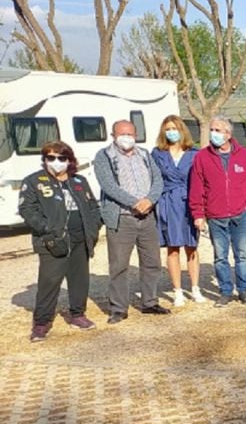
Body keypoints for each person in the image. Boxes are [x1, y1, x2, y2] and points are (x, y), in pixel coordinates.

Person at [19, 142, 103, 342]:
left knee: (79, 279)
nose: (56, 162)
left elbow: (93, 206)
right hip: (52, 240)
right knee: (49, 282)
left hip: (80, 237)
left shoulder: (79, 181)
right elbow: (27, 210)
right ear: (45, 160)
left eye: (61, 158)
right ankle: (41, 322)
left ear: (69, 160)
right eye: (51, 158)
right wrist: (46, 229)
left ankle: (77, 315)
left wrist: (94, 225)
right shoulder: (34, 181)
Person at [93, 119, 168, 324]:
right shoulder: (104, 156)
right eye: (122, 134)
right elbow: (108, 185)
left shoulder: (144, 154)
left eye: (131, 134)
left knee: (152, 262)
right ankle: (118, 308)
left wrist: (150, 200)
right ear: (113, 136)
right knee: (119, 265)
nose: (127, 138)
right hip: (121, 218)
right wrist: (134, 202)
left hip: (147, 216)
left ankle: (150, 302)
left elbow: (158, 180)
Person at [189, 116, 246, 307]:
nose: (213, 134)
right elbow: (197, 188)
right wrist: (198, 214)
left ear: (228, 134)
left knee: (242, 255)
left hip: (240, 215)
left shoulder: (245, 156)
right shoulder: (202, 157)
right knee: (220, 257)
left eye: (217, 130)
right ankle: (225, 291)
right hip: (216, 216)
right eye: (212, 130)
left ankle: (244, 290)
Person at [151, 116, 206, 307]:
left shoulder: (195, 153)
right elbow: (154, 180)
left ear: (182, 130)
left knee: (192, 247)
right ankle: (177, 291)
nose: (171, 132)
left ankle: (195, 288)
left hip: (188, 202)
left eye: (175, 128)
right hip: (167, 202)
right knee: (172, 247)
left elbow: (201, 181)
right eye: (167, 129)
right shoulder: (158, 154)